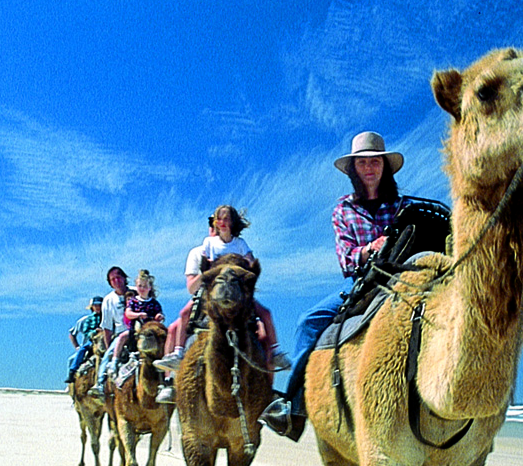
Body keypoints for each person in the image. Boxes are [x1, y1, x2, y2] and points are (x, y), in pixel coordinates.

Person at [261, 131, 410, 440]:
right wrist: (373, 247)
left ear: (385, 166)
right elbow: (346, 261)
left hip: (405, 280)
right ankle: (293, 408)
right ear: (353, 169)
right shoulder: (343, 210)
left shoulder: (404, 206)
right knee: (307, 323)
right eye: (362, 163)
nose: (369, 168)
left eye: (375, 162)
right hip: (364, 284)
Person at [154, 206, 289, 403]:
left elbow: (251, 264)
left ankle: (272, 370)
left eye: (225, 219)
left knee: (265, 316)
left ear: (232, 222)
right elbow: (204, 267)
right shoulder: (207, 244)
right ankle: (174, 365)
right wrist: (215, 271)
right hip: (212, 290)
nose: (220, 224)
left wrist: (243, 271)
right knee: (183, 316)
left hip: (238, 291)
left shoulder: (240, 244)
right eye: (218, 220)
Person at [107, 269, 165, 381]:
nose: (142, 289)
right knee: (122, 336)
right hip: (135, 330)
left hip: (151, 330)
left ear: (149, 288)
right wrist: (138, 315)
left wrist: (159, 316)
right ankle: (114, 361)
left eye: (144, 286)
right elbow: (128, 313)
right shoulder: (133, 301)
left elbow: (159, 313)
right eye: (139, 286)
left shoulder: (154, 303)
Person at [92, 266, 134, 396]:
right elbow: (107, 327)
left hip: (140, 330)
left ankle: (168, 381)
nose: (116, 281)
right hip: (121, 333)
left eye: (118, 277)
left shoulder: (136, 291)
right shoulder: (108, 300)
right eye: (112, 279)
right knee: (109, 355)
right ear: (110, 282)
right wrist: (108, 345)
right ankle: (100, 383)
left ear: (124, 278)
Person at [65, 296, 104, 383]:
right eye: (96, 305)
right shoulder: (87, 319)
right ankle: (72, 373)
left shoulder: (107, 317)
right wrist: (94, 332)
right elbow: (83, 332)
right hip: (92, 341)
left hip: (105, 340)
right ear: (92, 307)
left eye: (100, 305)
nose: (98, 307)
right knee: (80, 352)